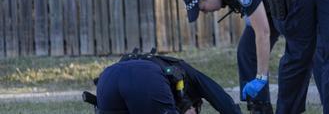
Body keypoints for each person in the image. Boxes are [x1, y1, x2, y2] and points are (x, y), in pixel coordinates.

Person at [182, 0, 279, 114]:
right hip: (273, 2)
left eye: (202, 8)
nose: (205, 13)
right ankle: (259, 109)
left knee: (301, 56)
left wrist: (261, 78)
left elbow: (263, 32)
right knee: (247, 51)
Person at [93, 48, 241, 114]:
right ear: (192, 106)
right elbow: (218, 95)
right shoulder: (187, 74)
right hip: (145, 78)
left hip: (107, 78)